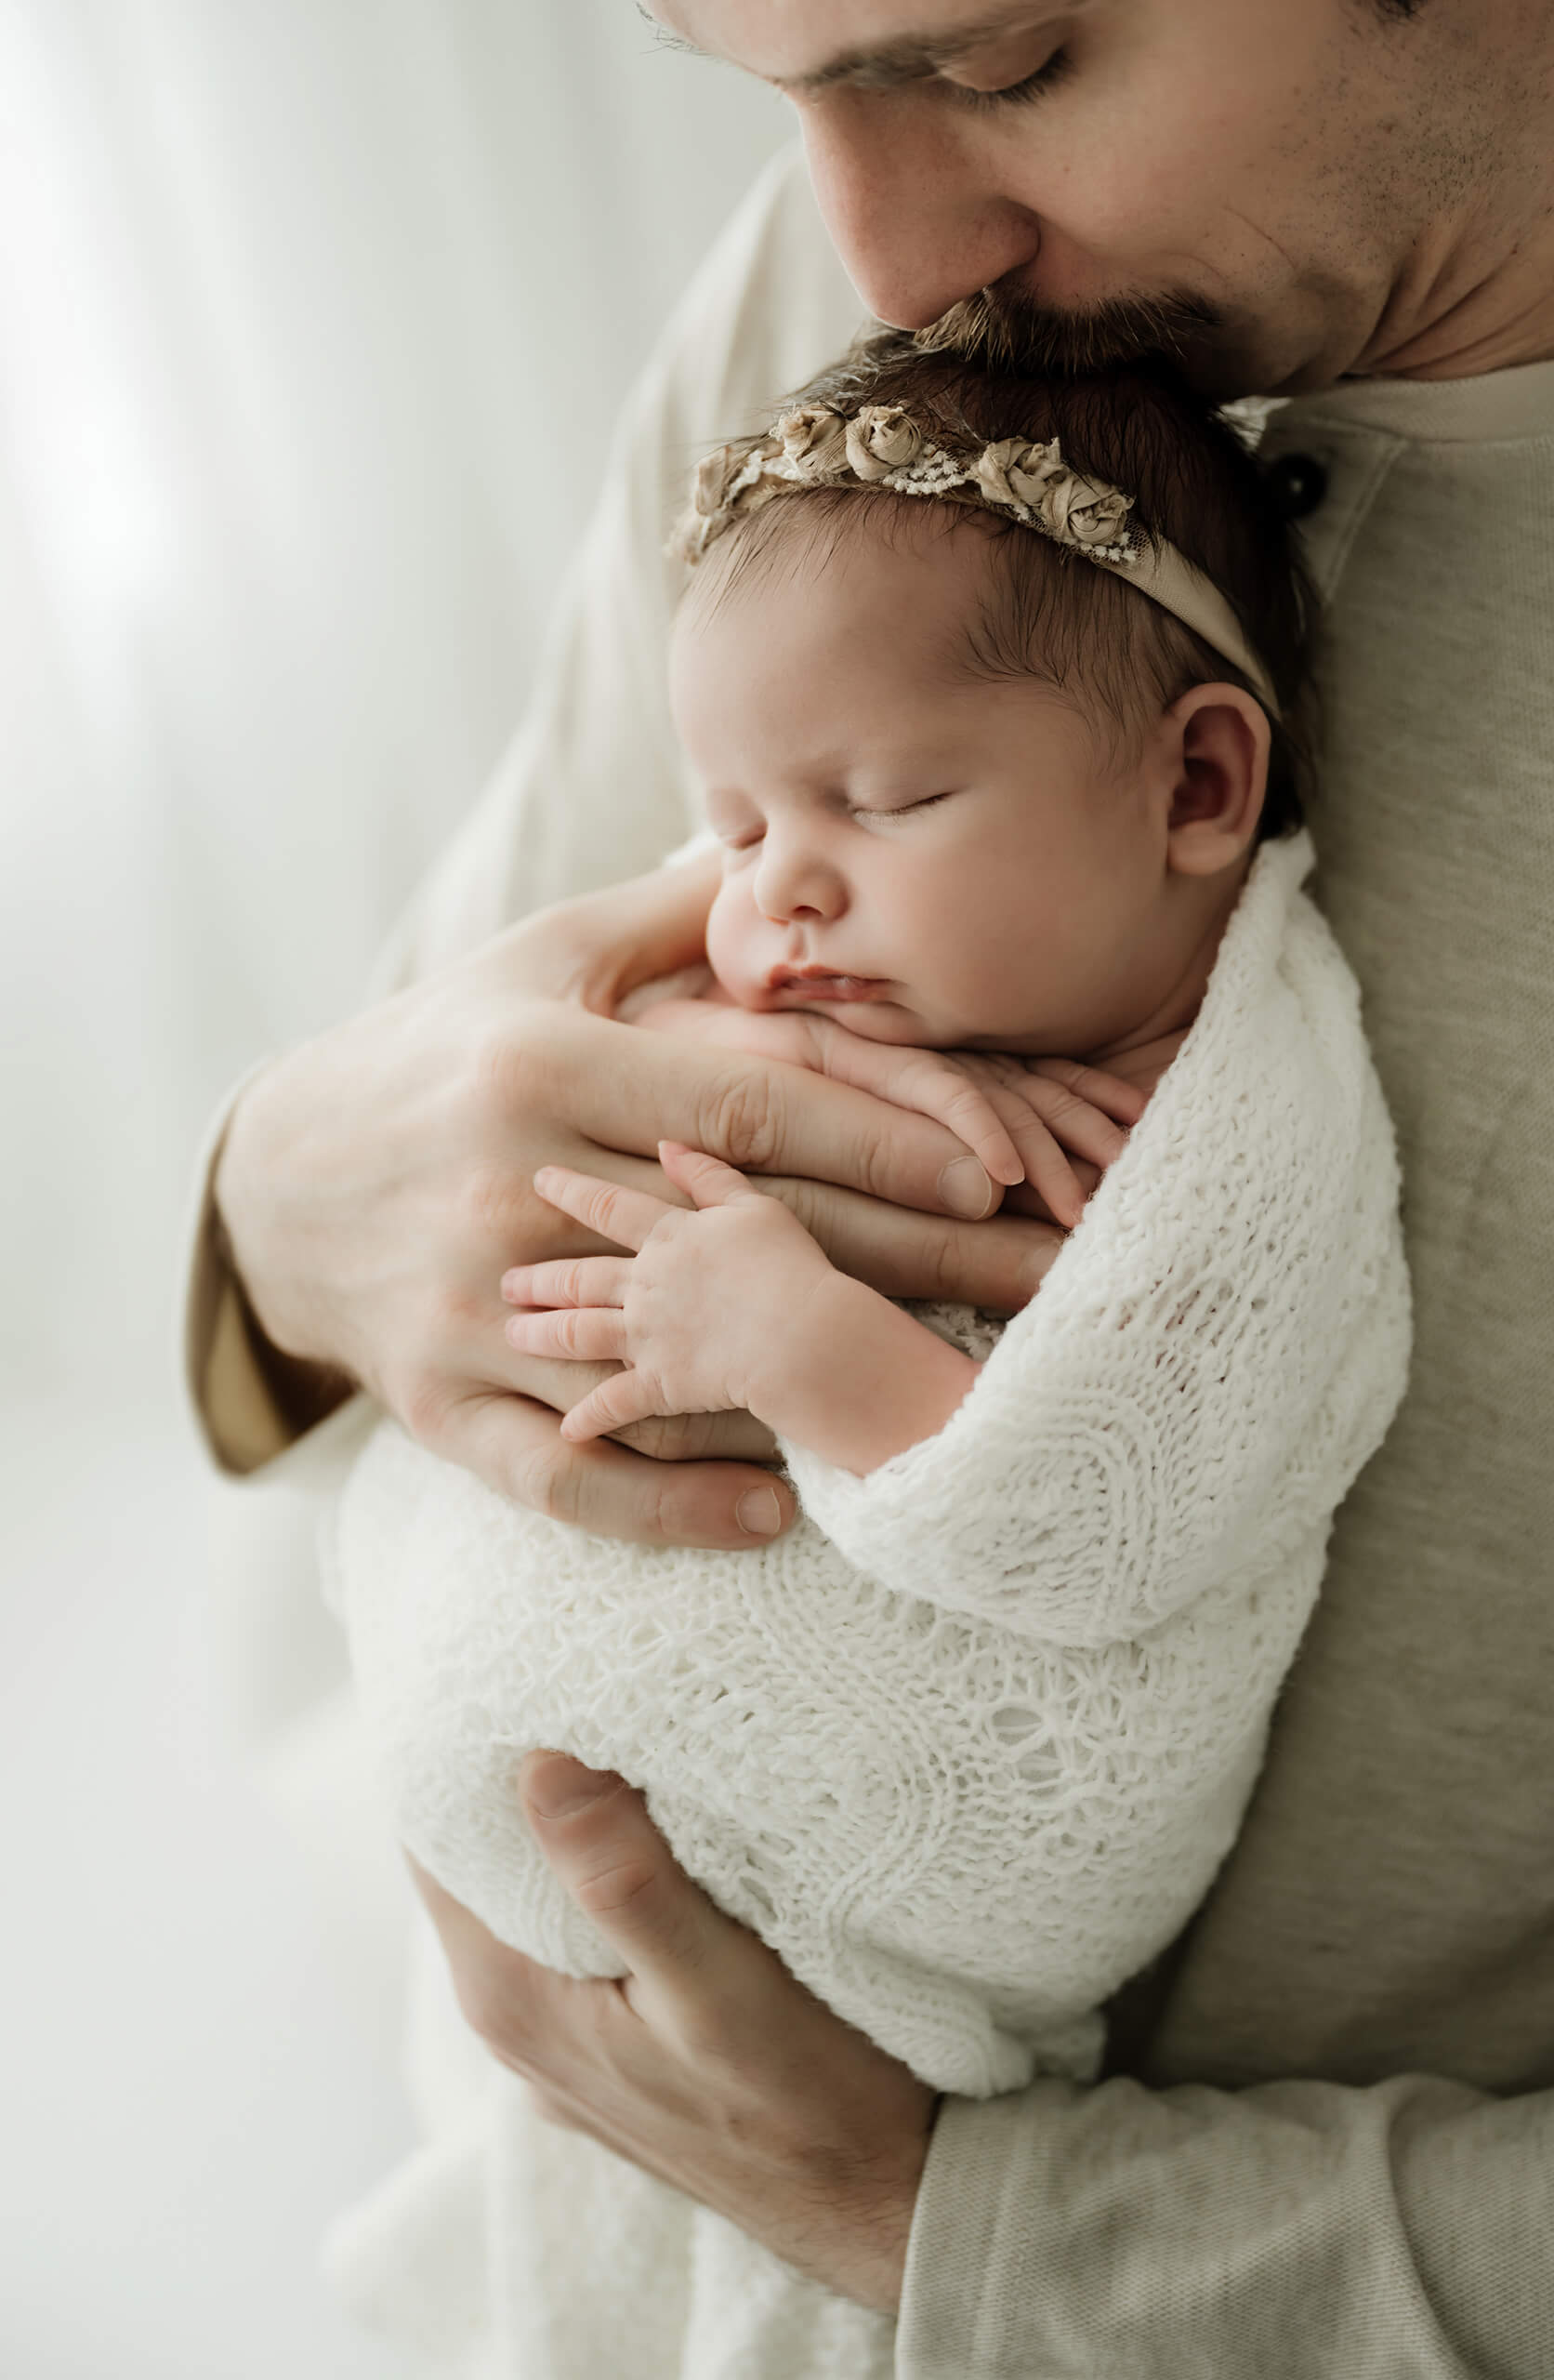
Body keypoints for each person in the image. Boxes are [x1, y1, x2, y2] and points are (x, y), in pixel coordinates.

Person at [190, 2, 1554, 2371]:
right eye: (776, 90)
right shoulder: (911, 318)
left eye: (1011, 61)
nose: (880, 249)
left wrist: (953, 2225)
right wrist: (272, 1198)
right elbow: (360, 1220)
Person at [325, 337, 1408, 2375]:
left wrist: (802, 1342)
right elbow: (469, 1145)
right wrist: (717, 1046)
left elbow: (1116, 1507)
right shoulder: (775, 957)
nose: (776, 881)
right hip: (516, 1879)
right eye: (731, 818)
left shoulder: (1250, 1106)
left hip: (862, 1924)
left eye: (883, 796)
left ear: (1193, 786)